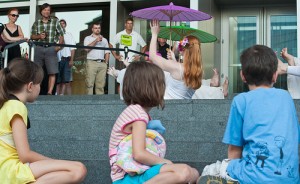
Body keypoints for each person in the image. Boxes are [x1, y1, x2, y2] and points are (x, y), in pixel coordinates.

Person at [197, 45, 299, 184]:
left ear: (242, 76)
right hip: (290, 178)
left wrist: (232, 172)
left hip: (255, 177)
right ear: (275, 75)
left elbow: (234, 148)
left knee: (210, 170)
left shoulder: (241, 101)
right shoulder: (286, 98)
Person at [108, 61, 199, 184]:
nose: (163, 89)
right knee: (184, 171)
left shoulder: (136, 111)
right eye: (161, 84)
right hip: (127, 178)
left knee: (193, 173)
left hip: (137, 174)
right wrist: (167, 163)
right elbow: (139, 154)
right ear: (149, 88)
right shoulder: (138, 114)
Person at [0, 58, 87, 183]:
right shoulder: (16, 107)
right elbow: (25, 155)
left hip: (5, 171)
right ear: (30, 86)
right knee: (78, 169)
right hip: (10, 171)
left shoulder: (6, 105)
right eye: (39, 83)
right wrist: (53, 163)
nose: (40, 87)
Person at [149, 20, 203, 99]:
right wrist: (174, 60)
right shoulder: (199, 71)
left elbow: (153, 56)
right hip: (183, 108)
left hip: (168, 107)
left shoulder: (177, 68)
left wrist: (154, 34)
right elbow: (181, 85)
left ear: (183, 50)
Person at [31, 3, 64, 95]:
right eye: (45, 10)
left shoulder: (55, 22)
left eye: (48, 10)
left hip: (51, 48)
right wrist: (39, 36)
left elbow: (61, 34)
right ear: (41, 11)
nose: (46, 12)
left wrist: (58, 46)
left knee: (52, 71)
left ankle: (49, 92)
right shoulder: (36, 22)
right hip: (39, 47)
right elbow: (32, 36)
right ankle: (37, 92)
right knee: (37, 71)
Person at [84, 22, 110, 95]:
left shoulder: (104, 40)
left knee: (100, 85)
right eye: (95, 28)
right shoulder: (88, 38)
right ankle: (88, 103)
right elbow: (86, 49)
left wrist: (106, 63)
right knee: (89, 84)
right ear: (92, 29)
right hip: (91, 62)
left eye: (99, 28)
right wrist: (96, 40)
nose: (97, 30)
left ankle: (100, 104)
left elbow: (107, 52)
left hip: (102, 63)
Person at [56, 19, 75, 95]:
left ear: (65, 25)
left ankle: (62, 95)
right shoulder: (55, 35)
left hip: (66, 59)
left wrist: (71, 60)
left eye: (63, 23)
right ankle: (56, 95)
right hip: (57, 60)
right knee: (57, 80)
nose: (61, 25)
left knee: (65, 79)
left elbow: (73, 48)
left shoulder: (69, 35)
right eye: (60, 24)